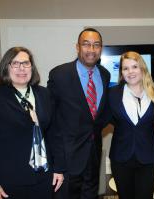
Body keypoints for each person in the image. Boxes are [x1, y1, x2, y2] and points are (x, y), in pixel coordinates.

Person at [0, 47, 64, 199]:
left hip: (43, 178)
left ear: (32, 67)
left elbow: (54, 134)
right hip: (8, 181)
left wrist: (59, 168)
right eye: (15, 64)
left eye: (26, 63)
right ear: (6, 67)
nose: (21, 68)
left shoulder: (44, 94)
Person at [47, 28, 110, 199]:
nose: (91, 49)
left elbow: (99, 116)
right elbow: (51, 122)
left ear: (101, 48)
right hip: (66, 160)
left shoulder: (105, 74)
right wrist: (57, 162)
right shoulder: (59, 75)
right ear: (77, 47)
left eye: (96, 45)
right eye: (86, 44)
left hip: (93, 155)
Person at [106, 51, 154, 199]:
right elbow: (106, 119)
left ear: (142, 69)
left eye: (134, 67)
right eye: (125, 68)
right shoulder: (112, 94)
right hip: (121, 159)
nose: (130, 72)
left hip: (148, 159)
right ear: (121, 72)